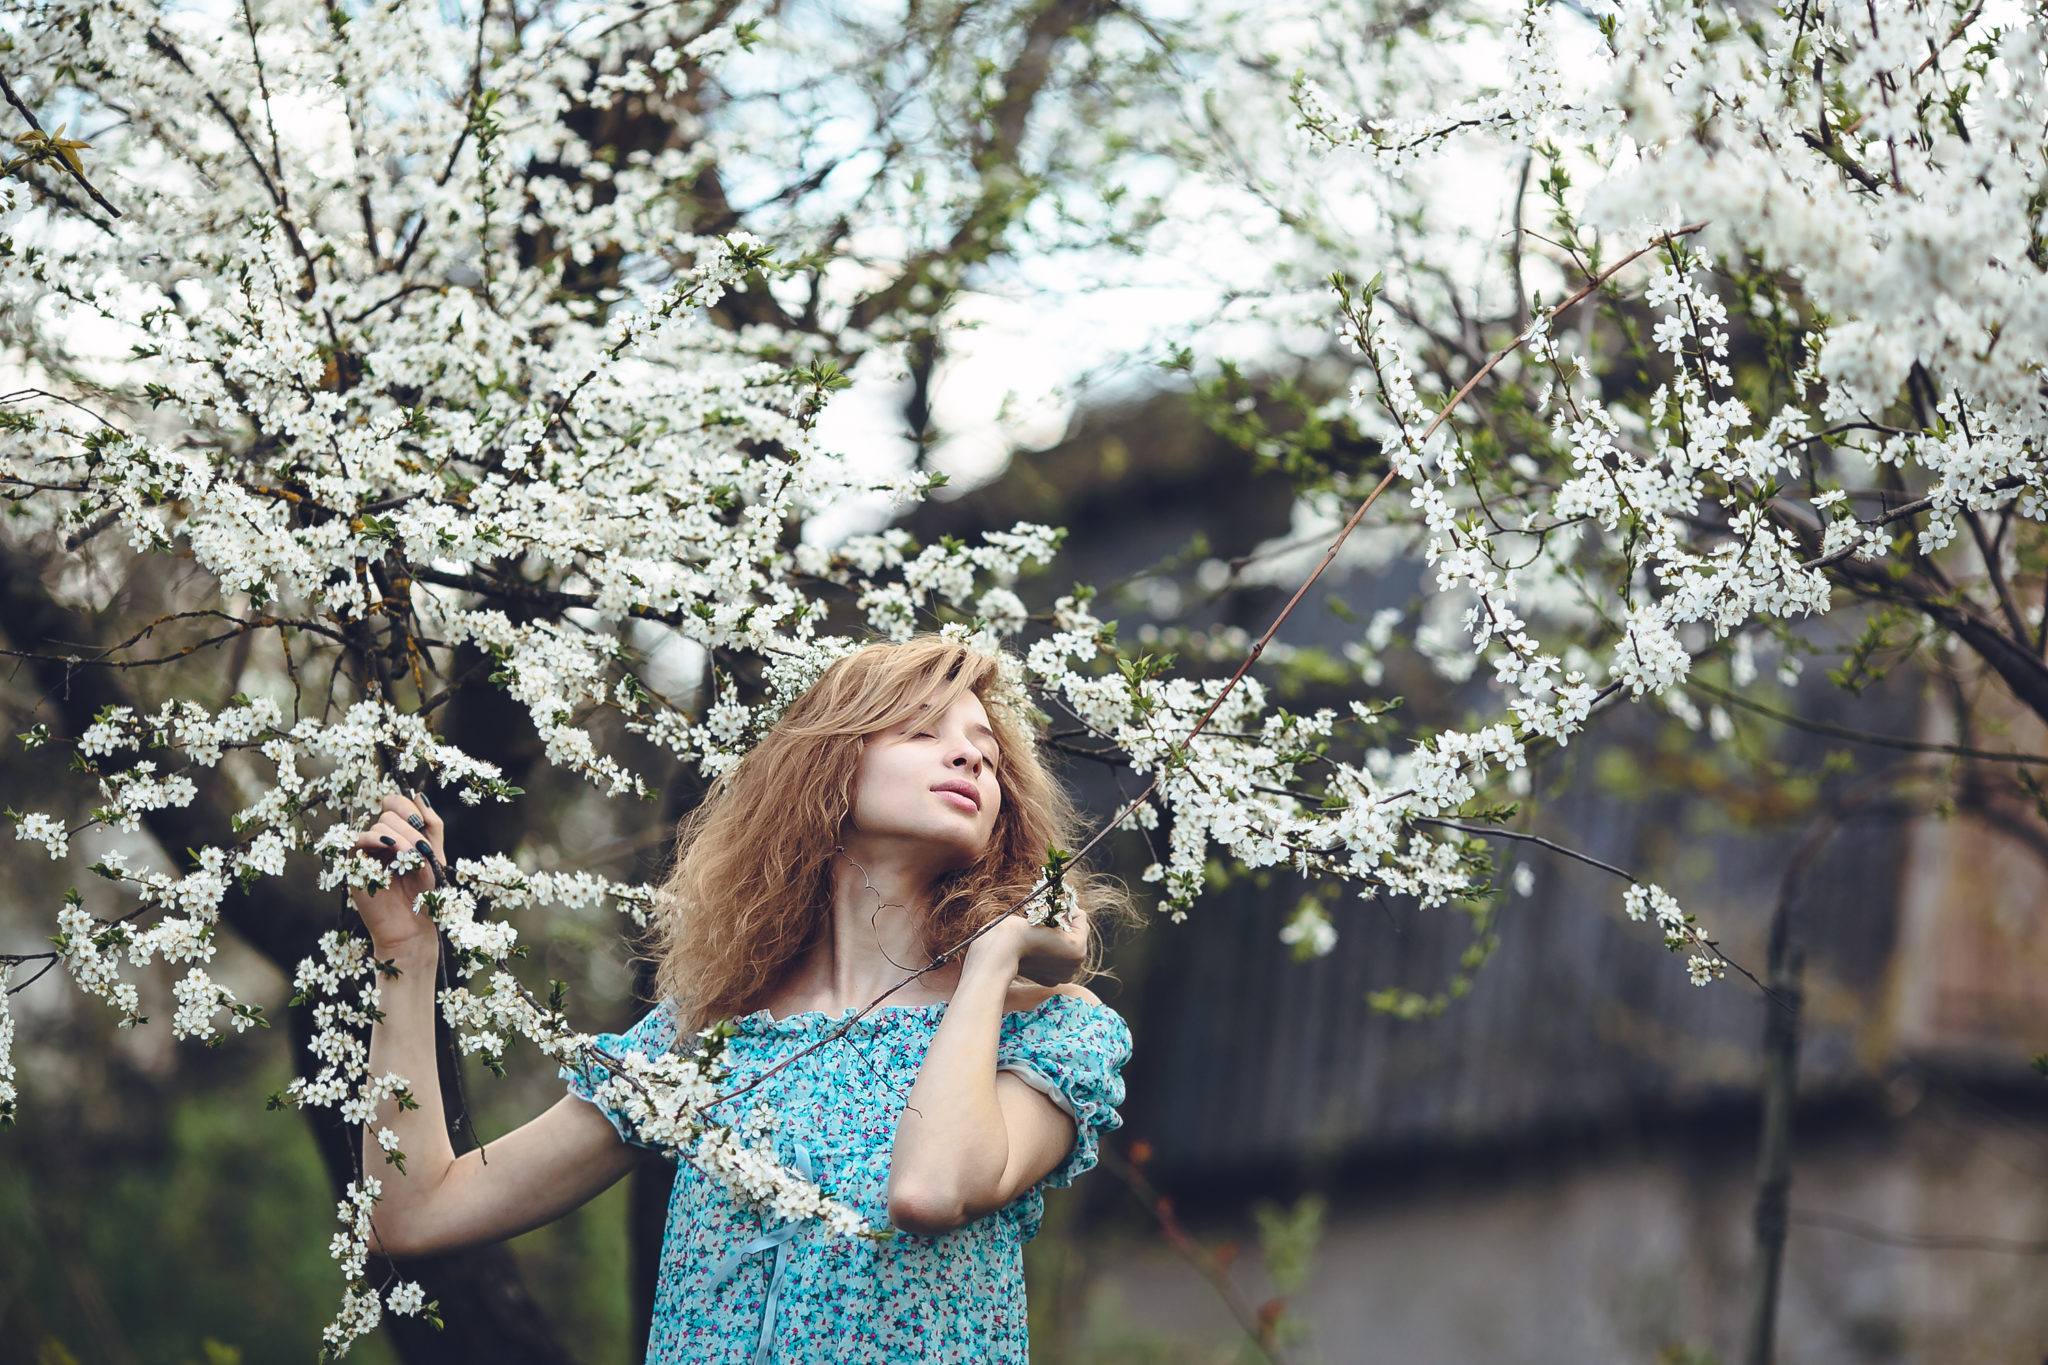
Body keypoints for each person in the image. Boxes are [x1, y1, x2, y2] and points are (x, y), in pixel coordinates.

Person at [349, 636, 1133, 1363]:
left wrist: (993, 957)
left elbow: (930, 1191)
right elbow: (413, 1211)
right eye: (921, 730)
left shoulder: (1048, 1031)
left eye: (986, 753)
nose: (968, 755)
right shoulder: (704, 1039)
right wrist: (407, 952)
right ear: (828, 764)